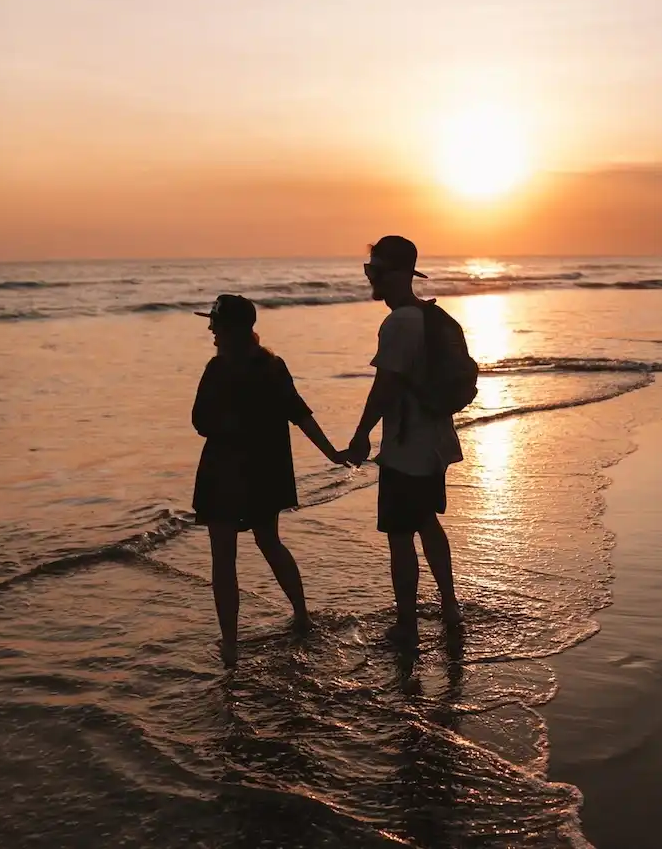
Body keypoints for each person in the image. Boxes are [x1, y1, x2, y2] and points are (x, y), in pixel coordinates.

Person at [191, 294, 345, 666]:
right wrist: (332, 454)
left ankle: (230, 645)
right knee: (269, 542)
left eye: (215, 323)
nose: (210, 328)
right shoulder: (272, 366)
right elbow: (300, 414)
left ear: (230, 329)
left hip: (224, 472)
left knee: (223, 559)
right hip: (265, 471)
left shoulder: (218, 369)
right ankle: (302, 615)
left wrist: (228, 425)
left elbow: (199, 422)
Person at [345, 236, 465, 647]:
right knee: (427, 522)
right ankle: (449, 607)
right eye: (368, 269)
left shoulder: (400, 323)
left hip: (407, 445)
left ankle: (407, 626)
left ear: (398, 274)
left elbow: (386, 385)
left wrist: (361, 433)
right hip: (434, 440)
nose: (371, 278)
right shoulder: (428, 316)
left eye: (375, 270)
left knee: (400, 534)